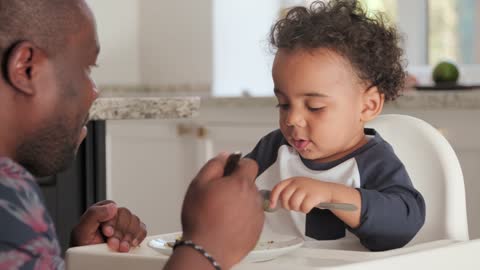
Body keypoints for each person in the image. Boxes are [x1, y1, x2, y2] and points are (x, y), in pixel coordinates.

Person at [0, 0, 264, 269]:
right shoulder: (7, 191)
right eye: (85, 68)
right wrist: (207, 247)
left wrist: (73, 258)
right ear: (26, 67)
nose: (94, 91)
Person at [246, 0, 426, 251]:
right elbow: (234, 187)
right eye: (284, 104)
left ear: (368, 106)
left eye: (314, 107)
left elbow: (405, 222)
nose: (292, 119)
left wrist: (332, 194)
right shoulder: (274, 148)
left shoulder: (375, 162)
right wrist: (226, 181)